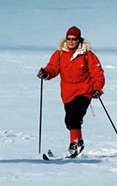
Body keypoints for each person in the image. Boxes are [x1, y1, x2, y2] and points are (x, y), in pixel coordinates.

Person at [37, 26, 105, 158]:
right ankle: (78, 141)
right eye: (69, 39)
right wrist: (46, 73)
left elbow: (98, 74)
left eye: (74, 39)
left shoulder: (87, 55)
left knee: (74, 118)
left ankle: (75, 144)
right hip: (67, 93)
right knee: (69, 121)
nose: (71, 41)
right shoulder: (60, 53)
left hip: (84, 91)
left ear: (79, 40)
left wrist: (97, 89)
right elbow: (53, 68)